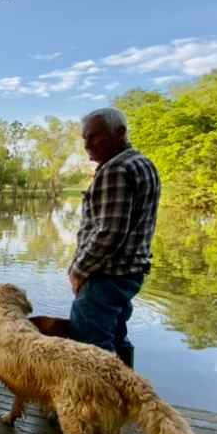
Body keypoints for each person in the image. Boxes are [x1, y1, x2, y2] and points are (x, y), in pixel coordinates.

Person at [67, 107, 161, 368]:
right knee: (117, 336)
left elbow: (109, 232)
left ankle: (98, 406)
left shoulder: (116, 169)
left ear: (119, 133)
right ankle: (127, 399)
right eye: (85, 138)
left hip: (106, 274)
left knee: (90, 344)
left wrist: (78, 270)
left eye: (94, 137)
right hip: (129, 272)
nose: (87, 144)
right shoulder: (143, 163)